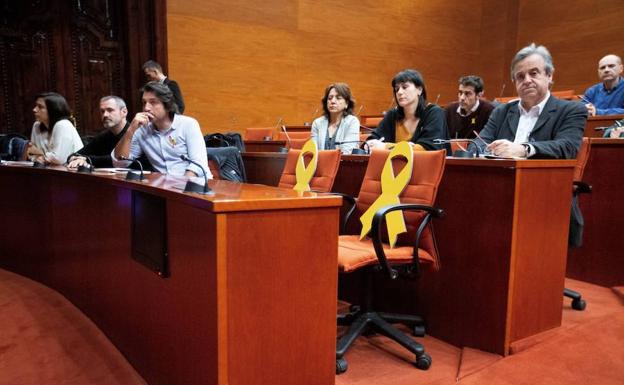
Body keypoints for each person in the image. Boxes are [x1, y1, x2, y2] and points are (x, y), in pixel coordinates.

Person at [475, 43, 587, 159]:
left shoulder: (571, 110)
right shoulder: (501, 112)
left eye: (533, 73)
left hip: (544, 176)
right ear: (515, 82)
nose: (527, 81)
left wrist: (525, 149)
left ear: (549, 76)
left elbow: (567, 147)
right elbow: (476, 145)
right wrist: (491, 151)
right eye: (520, 76)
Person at [113, 81, 210, 178]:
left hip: (197, 185)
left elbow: (198, 164)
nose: (146, 108)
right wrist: (130, 131)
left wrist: (180, 187)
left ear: (167, 105)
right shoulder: (142, 130)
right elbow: (120, 163)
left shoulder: (188, 124)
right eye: (144, 103)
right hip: (166, 187)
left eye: (153, 102)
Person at [368, 69, 448, 151]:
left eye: (404, 87)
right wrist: (371, 144)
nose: (399, 92)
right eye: (397, 89)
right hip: (395, 163)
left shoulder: (434, 113)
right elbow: (371, 141)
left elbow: (429, 148)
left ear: (419, 90)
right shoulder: (393, 115)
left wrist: (386, 147)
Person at [67, 96, 130, 169]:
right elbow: (76, 154)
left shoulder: (134, 133)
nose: (105, 115)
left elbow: (119, 160)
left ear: (124, 112)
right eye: (102, 111)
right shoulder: (104, 136)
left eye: (110, 110)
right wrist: (76, 159)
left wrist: (87, 160)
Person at [28, 92, 83, 165]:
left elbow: (59, 159)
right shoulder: (36, 126)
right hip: (49, 171)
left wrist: (41, 154)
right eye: (36, 106)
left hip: (72, 171)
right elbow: (31, 153)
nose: (34, 110)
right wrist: (39, 156)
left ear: (53, 110)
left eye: (40, 107)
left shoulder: (63, 125)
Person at [310, 83, 360, 154]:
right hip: (319, 164)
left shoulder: (352, 122)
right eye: (330, 98)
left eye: (338, 98)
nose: (332, 101)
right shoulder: (317, 123)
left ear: (346, 104)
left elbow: (347, 151)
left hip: (343, 164)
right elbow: (313, 151)